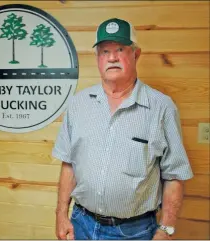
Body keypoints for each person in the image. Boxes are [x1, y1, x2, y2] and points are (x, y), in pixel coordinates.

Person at [53, 18, 193, 240]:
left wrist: (166, 229)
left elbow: (174, 175)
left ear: (136, 55)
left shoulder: (161, 107)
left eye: (120, 49)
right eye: (104, 51)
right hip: (81, 223)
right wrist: (61, 214)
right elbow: (69, 163)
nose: (112, 57)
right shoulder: (78, 104)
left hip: (133, 232)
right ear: (98, 58)